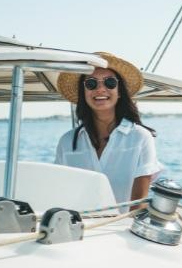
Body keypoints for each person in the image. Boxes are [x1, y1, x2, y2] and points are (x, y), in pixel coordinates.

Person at [53, 53, 162, 204]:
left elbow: (139, 202)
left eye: (109, 83)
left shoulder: (140, 137)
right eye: (91, 83)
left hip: (124, 226)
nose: (100, 89)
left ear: (119, 92)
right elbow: (59, 192)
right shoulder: (66, 142)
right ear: (83, 92)